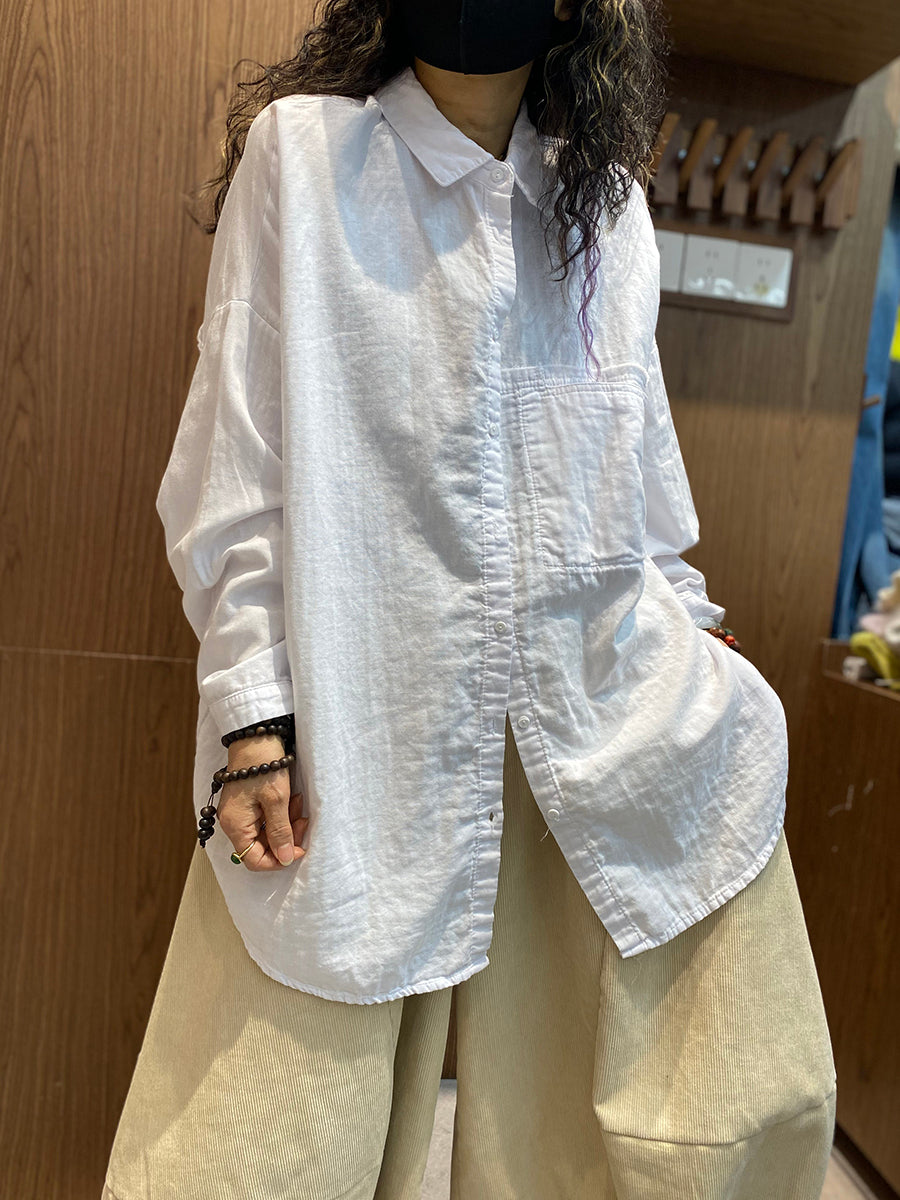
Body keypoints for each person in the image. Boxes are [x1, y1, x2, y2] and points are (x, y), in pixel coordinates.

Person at [102, 1, 837, 1197]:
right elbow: (235, 473)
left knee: (660, 1125)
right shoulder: (307, 159)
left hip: (592, 714)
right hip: (360, 718)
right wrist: (252, 719)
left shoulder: (610, 215)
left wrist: (701, 641)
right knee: (269, 1149)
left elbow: (643, 495)